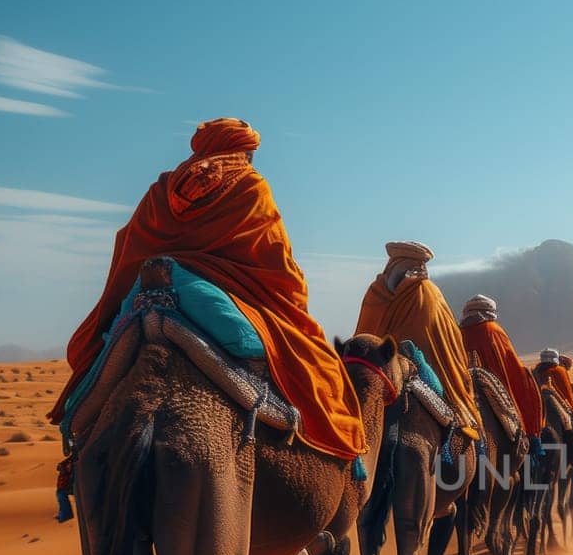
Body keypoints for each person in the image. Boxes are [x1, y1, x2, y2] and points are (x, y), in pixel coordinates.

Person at [50, 118, 364, 460]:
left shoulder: (161, 190)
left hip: (145, 289)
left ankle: (76, 444)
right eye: (251, 153)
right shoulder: (250, 184)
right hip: (211, 298)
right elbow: (277, 263)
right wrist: (293, 301)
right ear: (244, 152)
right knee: (313, 364)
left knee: (97, 382)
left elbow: (130, 246)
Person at [355, 241, 480, 439]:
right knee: (451, 406)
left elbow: (364, 333)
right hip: (418, 367)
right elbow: (450, 341)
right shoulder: (429, 292)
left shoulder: (377, 291)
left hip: (375, 368)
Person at [459, 295, 545, 451]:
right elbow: (512, 369)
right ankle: (531, 443)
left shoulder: (459, 332)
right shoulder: (494, 330)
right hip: (492, 386)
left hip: (462, 386)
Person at [533, 349, 573, 436]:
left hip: (537, 402)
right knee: (571, 429)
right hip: (556, 401)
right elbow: (567, 393)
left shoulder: (535, 371)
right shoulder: (560, 371)